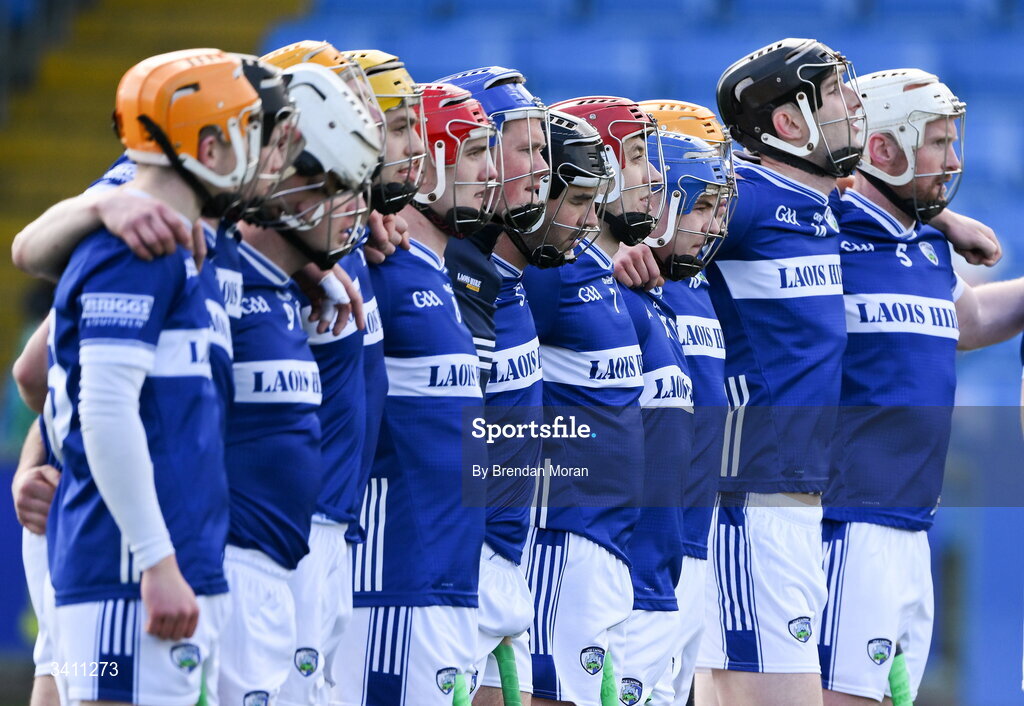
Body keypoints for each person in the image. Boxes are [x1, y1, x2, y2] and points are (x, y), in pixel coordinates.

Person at [44, 48, 262, 705]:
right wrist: (156, 561)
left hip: (172, 574)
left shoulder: (188, 245)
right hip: (128, 580)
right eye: (247, 132)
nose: (259, 152)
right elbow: (105, 410)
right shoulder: (135, 247)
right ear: (208, 147)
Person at [820, 68, 1024, 706]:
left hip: (909, 524)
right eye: (937, 142)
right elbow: (754, 184)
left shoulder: (925, 247)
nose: (953, 159)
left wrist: (940, 220)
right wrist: (945, 215)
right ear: (883, 148)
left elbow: (972, 320)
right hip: (846, 521)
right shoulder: (825, 231)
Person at [695, 38, 866, 706]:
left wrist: (949, 219)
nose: (855, 102)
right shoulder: (742, 196)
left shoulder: (819, 203)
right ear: (789, 123)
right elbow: (638, 208)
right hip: (749, 499)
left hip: (787, 505)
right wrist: (624, 251)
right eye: (835, 92)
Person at [216, 60, 381, 706]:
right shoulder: (203, 261)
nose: (359, 210)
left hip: (284, 568)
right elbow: (54, 367)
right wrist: (42, 458)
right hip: (224, 567)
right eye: (342, 187)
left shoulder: (295, 285)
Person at [334, 82, 498, 706]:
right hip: (392, 578)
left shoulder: (440, 274)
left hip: (450, 580)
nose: (493, 173)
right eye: (476, 153)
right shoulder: (373, 262)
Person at [520, 94, 662, 706]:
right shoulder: (548, 274)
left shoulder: (605, 273)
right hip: (561, 535)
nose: (650, 175)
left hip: (610, 543)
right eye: (635, 156)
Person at [433, 65, 551, 705]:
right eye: (524, 149)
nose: (541, 169)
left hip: (509, 561)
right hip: (452, 563)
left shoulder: (511, 270)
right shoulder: (426, 265)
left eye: (544, 151)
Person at [611, 126, 731, 706]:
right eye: (701, 206)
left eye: (718, 209)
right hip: (636, 560)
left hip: (694, 552)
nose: (713, 226)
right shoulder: (617, 286)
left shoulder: (697, 285)